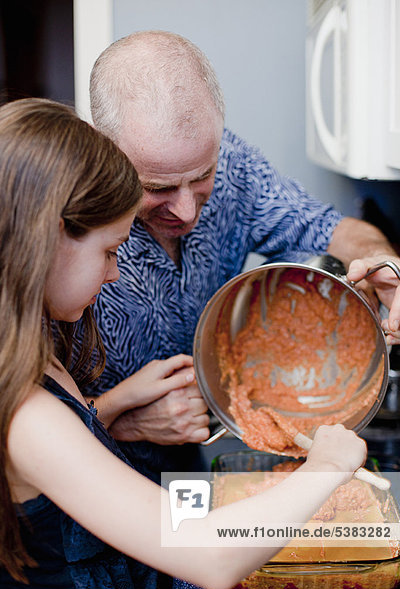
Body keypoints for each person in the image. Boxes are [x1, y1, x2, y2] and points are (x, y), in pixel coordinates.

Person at [0, 97, 368, 589]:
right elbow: (211, 560)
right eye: (108, 252)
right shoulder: (29, 415)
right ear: (48, 240)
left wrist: (113, 406)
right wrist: (326, 468)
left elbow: (61, 457)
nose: (113, 272)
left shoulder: (34, 356)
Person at [84, 30, 399, 480]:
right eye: (157, 188)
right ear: (103, 144)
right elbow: (18, 409)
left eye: (202, 177)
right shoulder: (64, 216)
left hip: (184, 476)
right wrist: (118, 418)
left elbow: (326, 227)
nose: (187, 210)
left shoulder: (234, 165)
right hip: (84, 489)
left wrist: (382, 261)